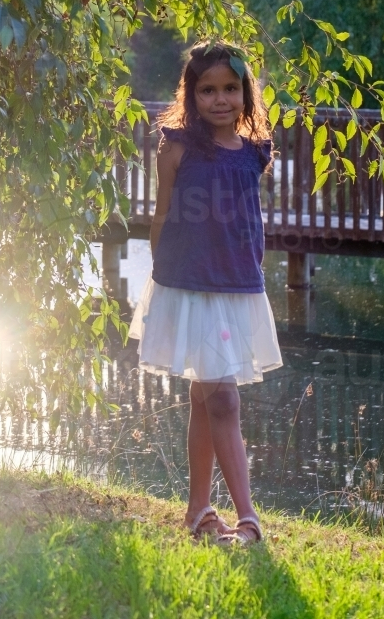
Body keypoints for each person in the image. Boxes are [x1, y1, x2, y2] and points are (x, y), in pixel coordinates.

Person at [129, 40, 282, 546]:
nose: (220, 99)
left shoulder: (254, 152)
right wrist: (161, 279)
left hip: (235, 285)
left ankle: (198, 511)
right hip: (189, 285)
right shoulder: (176, 148)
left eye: (231, 89)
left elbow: (244, 219)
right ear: (190, 95)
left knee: (206, 397)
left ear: (246, 93)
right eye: (208, 90)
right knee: (222, 400)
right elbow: (163, 214)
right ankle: (248, 517)